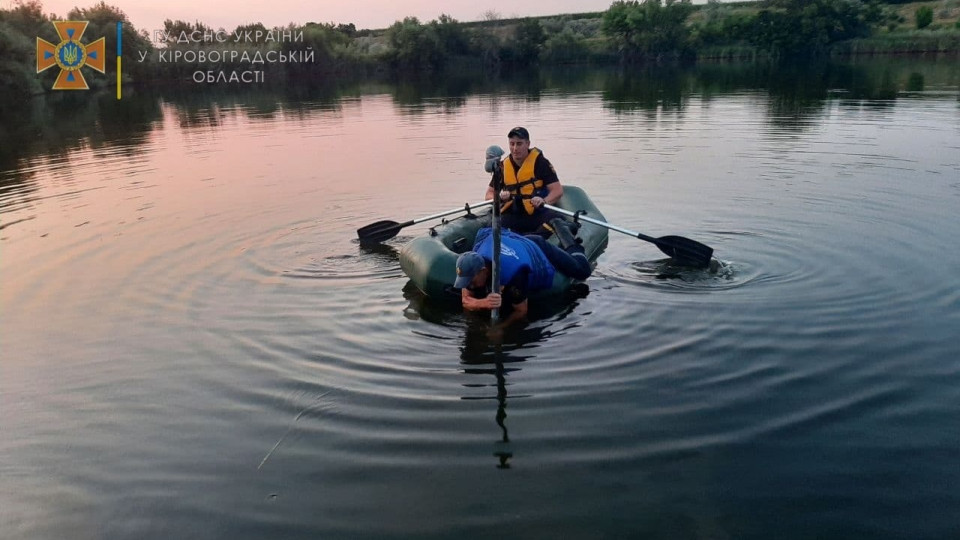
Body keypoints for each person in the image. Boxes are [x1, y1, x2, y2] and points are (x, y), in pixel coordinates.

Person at [453, 218, 591, 325]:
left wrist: (500, 328)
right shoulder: (471, 263)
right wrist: (483, 303)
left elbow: (521, 311)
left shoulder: (514, 274)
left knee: (582, 270)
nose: (469, 285)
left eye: (471, 281)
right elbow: (465, 300)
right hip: (514, 242)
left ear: (483, 271)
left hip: (535, 247)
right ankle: (548, 228)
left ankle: (563, 229)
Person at [485, 126, 564, 235]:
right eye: (512, 144)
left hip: (536, 214)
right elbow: (489, 194)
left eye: (519, 144)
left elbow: (557, 191)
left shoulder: (541, 163)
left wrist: (543, 201)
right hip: (513, 214)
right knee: (491, 227)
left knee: (557, 221)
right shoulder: (503, 166)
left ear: (527, 144)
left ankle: (533, 241)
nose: (515, 148)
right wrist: (499, 198)